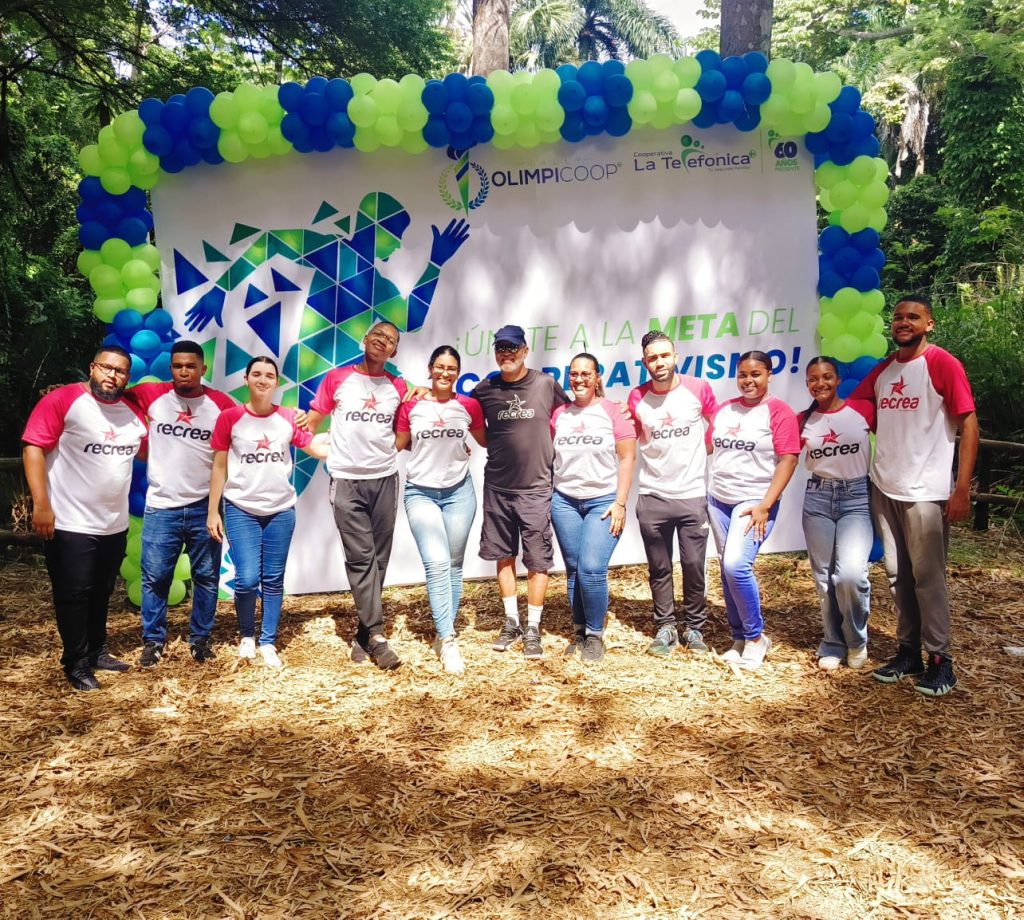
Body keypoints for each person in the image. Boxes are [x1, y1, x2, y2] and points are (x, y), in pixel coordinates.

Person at [851, 297, 978, 696]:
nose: (903, 322)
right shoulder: (885, 369)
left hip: (926, 491)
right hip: (886, 486)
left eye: (913, 317)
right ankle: (909, 652)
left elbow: (969, 424)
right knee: (897, 575)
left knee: (928, 578)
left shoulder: (941, 364)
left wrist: (961, 488)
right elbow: (854, 408)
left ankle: (941, 660)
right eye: (898, 317)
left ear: (929, 324)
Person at [22, 346, 147, 690]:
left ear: (127, 377)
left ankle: (96, 651)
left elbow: (148, 447)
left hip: (114, 523)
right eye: (106, 367)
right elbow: (33, 448)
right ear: (92, 367)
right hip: (69, 522)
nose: (112, 375)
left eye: (120, 371)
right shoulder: (63, 401)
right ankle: (75, 662)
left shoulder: (134, 410)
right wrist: (41, 504)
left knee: (101, 591)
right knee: (74, 594)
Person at [207, 356, 324, 667]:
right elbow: (219, 466)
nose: (262, 380)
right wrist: (212, 511)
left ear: (277, 382)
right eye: (256, 374)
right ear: (246, 379)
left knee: (273, 578)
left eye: (269, 375)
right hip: (240, 508)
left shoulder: (289, 417)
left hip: (281, 510)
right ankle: (247, 635)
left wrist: (353, 445)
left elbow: (315, 448)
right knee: (246, 579)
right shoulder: (230, 418)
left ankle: (268, 641)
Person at [304, 321, 408, 670]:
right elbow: (310, 425)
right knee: (360, 558)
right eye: (377, 335)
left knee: (379, 559)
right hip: (347, 481)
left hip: (385, 480)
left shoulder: (398, 386)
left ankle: (364, 631)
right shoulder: (337, 379)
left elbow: (403, 432)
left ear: (394, 351)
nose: (382, 341)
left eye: (390, 340)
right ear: (365, 340)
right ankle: (377, 636)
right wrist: (316, 447)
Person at [128, 340, 235, 666]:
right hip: (161, 506)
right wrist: (68, 388)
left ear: (203, 368)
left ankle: (200, 640)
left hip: (206, 507)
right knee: (155, 577)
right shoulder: (150, 395)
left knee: (207, 577)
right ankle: (153, 641)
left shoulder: (221, 404)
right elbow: (108, 393)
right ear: (170, 368)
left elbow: (251, 426)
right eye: (177, 366)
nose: (184, 371)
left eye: (191, 366)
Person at [470, 325, 570, 659]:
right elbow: (460, 414)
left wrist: (614, 409)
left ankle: (533, 628)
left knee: (538, 560)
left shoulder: (545, 384)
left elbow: (574, 414)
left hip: (536, 489)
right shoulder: (485, 389)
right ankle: (511, 621)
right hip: (498, 488)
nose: (506, 354)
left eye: (512, 348)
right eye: (501, 348)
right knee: (504, 555)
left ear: (525, 351)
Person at [395, 346, 486, 674]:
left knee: (454, 565)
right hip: (420, 492)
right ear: (430, 368)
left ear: (458, 373)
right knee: (436, 563)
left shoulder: (469, 406)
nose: (445, 373)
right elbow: (398, 443)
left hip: (460, 493)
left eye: (451, 368)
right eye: (440, 367)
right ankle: (448, 641)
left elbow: (486, 440)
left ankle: (443, 630)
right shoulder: (412, 406)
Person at [707, 351, 800, 670]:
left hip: (754, 502)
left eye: (756, 374)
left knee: (736, 565)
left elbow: (789, 459)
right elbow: (707, 446)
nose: (748, 380)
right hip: (718, 499)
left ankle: (756, 637)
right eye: (743, 374)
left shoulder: (779, 411)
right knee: (726, 569)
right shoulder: (724, 410)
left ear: (769, 375)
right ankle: (738, 638)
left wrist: (766, 504)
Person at [628, 331, 718, 659]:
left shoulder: (698, 388)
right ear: (645, 363)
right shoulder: (637, 397)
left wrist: (703, 449)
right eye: (653, 358)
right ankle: (665, 626)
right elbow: (630, 437)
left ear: (675, 356)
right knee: (659, 567)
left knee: (693, 565)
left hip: (691, 494)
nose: (660, 362)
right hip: (652, 496)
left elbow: (718, 424)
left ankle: (694, 628)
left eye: (665, 355)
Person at [549, 353, 636, 662]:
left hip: (603, 501)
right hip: (564, 501)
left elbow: (627, 457)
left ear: (597, 377)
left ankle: (596, 635)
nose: (579, 379)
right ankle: (580, 632)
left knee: (592, 569)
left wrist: (620, 502)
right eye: (574, 374)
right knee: (574, 569)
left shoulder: (613, 411)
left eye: (586, 373)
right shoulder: (559, 414)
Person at [798, 357, 875, 671]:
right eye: (813, 379)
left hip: (857, 497)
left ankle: (856, 640)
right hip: (818, 497)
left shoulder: (863, 410)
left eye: (827, 376)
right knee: (824, 578)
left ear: (838, 379)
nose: (820, 383)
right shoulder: (803, 420)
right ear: (807, 383)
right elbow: (782, 456)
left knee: (850, 575)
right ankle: (832, 642)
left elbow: (898, 435)